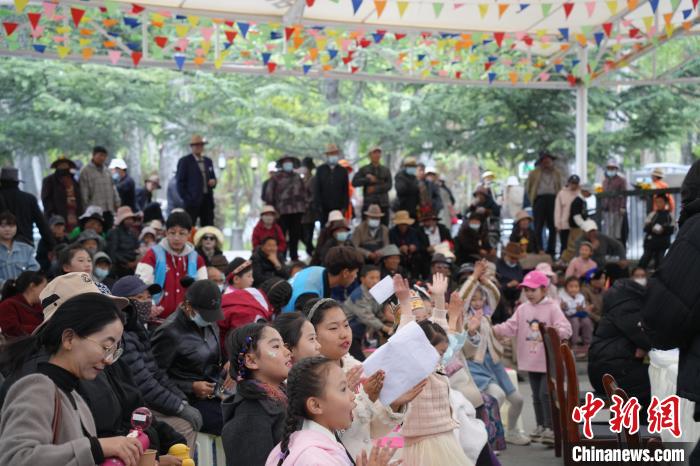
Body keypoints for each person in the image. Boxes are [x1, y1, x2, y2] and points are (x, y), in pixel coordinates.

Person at [0, 292, 144, 466]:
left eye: (114, 351)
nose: (108, 360)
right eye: (106, 347)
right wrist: (96, 448)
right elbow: (15, 458)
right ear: (68, 339)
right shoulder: (37, 388)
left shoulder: (74, 396)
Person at [301, 298, 422, 459]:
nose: (344, 334)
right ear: (313, 335)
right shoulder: (309, 379)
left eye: (346, 325)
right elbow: (332, 432)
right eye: (333, 328)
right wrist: (364, 398)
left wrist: (394, 404)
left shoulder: (358, 368)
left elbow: (372, 430)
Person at [111, 275, 201, 449]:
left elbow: (155, 372)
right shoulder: (122, 336)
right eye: (139, 298)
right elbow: (144, 384)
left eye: (148, 297)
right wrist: (179, 408)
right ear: (123, 303)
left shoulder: (137, 329)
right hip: (132, 408)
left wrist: (181, 399)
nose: (146, 302)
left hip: (145, 403)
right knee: (184, 426)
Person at [266, 356, 393, 466]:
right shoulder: (314, 459)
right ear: (316, 405)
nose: (352, 396)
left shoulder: (310, 445)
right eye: (343, 389)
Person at [492, 271, 572, 444]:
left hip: (548, 361)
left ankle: (552, 428)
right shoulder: (522, 308)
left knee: (546, 394)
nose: (529, 293)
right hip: (531, 361)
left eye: (533, 290)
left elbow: (566, 329)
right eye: (526, 290)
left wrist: (554, 331)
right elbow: (510, 326)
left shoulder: (552, 307)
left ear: (544, 290)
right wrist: (492, 330)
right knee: (536, 395)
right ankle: (541, 426)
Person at [151, 279, 226, 435]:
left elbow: (214, 356)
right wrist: (190, 387)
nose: (210, 320)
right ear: (188, 306)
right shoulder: (170, 332)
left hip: (213, 390)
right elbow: (153, 375)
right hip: (185, 398)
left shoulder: (209, 323)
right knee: (229, 421)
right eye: (206, 315)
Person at [222, 323, 292, 466]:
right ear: (251, 361)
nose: (287, 352)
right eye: (276, 346)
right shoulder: (251, 415)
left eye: (284, 345)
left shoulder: (282, 396)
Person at [588, 279, 651, 409]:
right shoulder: (628, 308)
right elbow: (647, 340)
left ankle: (625, 420)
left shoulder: (617, 305)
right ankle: (634, 422)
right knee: (657, 380)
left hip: (602, 373)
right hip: (612, 376)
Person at [136, 211, 207, 319]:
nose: (176, 238)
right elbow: (141, 285)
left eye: (182, 233)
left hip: (187, 320)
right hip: (157, 319)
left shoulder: (197, 259)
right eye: (172, 233)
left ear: (189, 234)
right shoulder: (152, 255)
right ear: (166, 233)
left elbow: (203, 289)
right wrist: (150, 305)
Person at [283, 246, 364, 312]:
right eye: (356, 272)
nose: (356, 276)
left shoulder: (316, 269)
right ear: (345, 273)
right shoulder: (310, 296)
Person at [264, 155, 307, 261]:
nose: (288, 164)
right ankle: (281, 256)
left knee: (295, 234)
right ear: (282, 164)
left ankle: (294, 256)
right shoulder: (275, 178)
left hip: (297, 211)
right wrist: (273, 211)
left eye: (290, 162)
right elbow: (269, 196)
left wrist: (305, 207)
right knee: (281, 235)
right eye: (286, 162)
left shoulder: (297, 177)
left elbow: (304, 193)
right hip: (281, 212)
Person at [0, 167, 53, 248]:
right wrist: (52, 245)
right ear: (17, 183)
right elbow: (42, 224)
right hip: (26, 244)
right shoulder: (29, 199)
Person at [344, 265, 389, 361]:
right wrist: (386, 328)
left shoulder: (376, 292)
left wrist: (387, 321)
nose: (375, 281)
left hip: (365, 328)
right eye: (371, 278)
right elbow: (367, 317)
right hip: (351, 330)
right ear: (362, 279)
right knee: (360, 360)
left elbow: (378, 311)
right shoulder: (358, 295)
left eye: (377, 278)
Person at [525, 151, 563, 256]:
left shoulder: (557, 173)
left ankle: (551, 250)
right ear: (541, 162)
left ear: (552, 162)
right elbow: (529, 187)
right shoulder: (534, 173)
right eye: (544, 161)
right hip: (539, 200)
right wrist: (533, 199)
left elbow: (559, 187)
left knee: (552, 226)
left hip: (553, 199)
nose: (547, 163)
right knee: (538, 226)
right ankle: (539, 249)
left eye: (548, 161)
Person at [219, 279, 275, 350]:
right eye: (248, 276)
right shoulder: (250, 313)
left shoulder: (246, 296)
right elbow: (241, 344)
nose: (252, 280)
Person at [176, 135, 217, 227]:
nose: (199, 147)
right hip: (191, 202)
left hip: (207, 201)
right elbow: (180, 183)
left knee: (208, 227)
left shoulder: (208, 161)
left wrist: (213, 182)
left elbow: (213, 177)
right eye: (196, 145)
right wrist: (187, 199)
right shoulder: (185, 161)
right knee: (189, 226)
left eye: (201, 145)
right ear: (192, 147)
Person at [352, 147, 392, 226]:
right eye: (374, 153)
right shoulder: (364, 169)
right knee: (366, 227)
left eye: (378, 153)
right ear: (370, 155)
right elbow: (354, 182)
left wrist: (375, 189)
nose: (377, 155)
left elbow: (389, 185)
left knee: (384, 227)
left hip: (383, 204)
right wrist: (367, 180)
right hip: (368, 204)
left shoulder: (386, 170)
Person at [0, 211, 40, 289]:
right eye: (3, 226)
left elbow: (35, 268)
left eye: (11, 226)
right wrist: (6, 284)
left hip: (23, 292)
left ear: (16, 227)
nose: (7, 229)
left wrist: (22, 281)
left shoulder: (26, 249)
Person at [0, 270, 47, 338]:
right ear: (32, 286)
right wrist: (42, 330)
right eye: (44, 287)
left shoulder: (39, 305)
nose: (47, 290)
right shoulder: (8, 305)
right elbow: (11, 329)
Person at [41, 156, 83, 231]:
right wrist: (52, 214)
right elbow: (46, 199)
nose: (64, 166)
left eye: (66, 164)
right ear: (57, 166)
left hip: (75, 215)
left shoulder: (74, 180)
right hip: (58, 216)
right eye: (61, 164)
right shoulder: (49, 180)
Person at [313, 144, 349, 226]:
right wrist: (318, 207)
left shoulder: (343, 171)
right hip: (324, 209)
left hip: (338, 209)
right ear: (327, 155)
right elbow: (317, 189)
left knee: (338, 228)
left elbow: (345, 191)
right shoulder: (320, 170)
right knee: (325, 229)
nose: (333, 155)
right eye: (331, 154)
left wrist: (344, 207)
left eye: (335, 153)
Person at [79, 146, 120, 215]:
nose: (102, 158)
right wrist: (86, 210)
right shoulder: (85, 171)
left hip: (109, 208)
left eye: (105, 156)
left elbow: (113, 188)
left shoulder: (107, 171)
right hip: (94, 211)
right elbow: (84, 193)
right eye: (100, 155)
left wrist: (117, 202)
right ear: (93, 155)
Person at [639, 194, 675, 270]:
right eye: (657, 202)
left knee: (660, 264)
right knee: (644, 260)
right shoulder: (652, 214)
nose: (658, 204)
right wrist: (652, 229)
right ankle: (638, 274)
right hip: (650, 244)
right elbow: (645, 228)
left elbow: (673, 229)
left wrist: (663, 230)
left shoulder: (670, 216)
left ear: (666, 203)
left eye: (660, 202)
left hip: (663, 244)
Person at [389, 210, 427, 280]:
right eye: (401, 224)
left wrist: (414, 247)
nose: (403, 226)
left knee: (419, 258)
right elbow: (391, 246)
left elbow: (418, 244)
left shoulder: (413, 231)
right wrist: (399, 249)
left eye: (405, 224)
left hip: (412, 256)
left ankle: (416, 278)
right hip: (399, 255)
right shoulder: (392, 232)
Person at [106, 206, 141, 278]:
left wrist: (135, 262)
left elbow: (136, 249)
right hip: (119, 268)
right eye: (127, 219)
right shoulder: (114, 232)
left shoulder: (133, 233)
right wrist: (126, 263)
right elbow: (112, 252)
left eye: (131, 219)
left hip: (132, 267)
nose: (130, 221)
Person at [562, 183, 593, 263]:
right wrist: (583, 225)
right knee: (574, 245)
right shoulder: (577, 201)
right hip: (576, 227)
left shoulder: (583, 201)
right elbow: (576, 216)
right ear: (584, 191)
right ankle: (566, 259)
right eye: (589, 193)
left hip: (579, 227)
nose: (590, 195)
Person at [600, 158, 628, 246]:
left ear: (616, 169)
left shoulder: (621, 180)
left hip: (617, 210)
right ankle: (609, 249)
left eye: (612, 168)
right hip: (607, 210)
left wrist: (622, 207)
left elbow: (624, 194)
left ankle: (617, 249)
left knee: (617, 232)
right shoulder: (605, 181)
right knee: (608, 232)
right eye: (609, 168)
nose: (611, 170)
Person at [559, 276, 592, 349]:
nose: (574, 289)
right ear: (566, 288)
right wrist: (563, 306)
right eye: (571, 286)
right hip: (566, 317)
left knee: (586, 321)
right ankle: (574, 343)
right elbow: (560, 309)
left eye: (576, 286)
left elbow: (583, 307)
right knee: (575, 321)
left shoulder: (580, 296)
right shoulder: (561, 296)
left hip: (578, 315)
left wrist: (583, 309)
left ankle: (587, 343)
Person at [554, 175, 580, 258]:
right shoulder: (561, 193)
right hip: (564, 224)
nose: (573, 185)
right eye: (572, 183)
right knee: (564, 244)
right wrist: (557, 224)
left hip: (577, 225)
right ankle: (563, 260)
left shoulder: (580, 193)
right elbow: (558, 210)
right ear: (568, 183)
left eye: (575, 183)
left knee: (576, 244)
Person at [495, 242, 524, 313]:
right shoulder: (498, 265)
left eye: (516, 258)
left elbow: (521, 280)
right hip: (501, 299)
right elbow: (495, 287)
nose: (514, 260)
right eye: (512, 258)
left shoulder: (518, 267)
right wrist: (508, 285)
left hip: (515, 298)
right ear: (506, 255)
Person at [299, 157, 317, 256]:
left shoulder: (313, 180)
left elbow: (313, 196)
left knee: (308, 235)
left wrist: (306, 204)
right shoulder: (302, 180)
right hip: (301, 213)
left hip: (310, 213)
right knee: (301, 234)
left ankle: (312, 252)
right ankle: (312, 251)